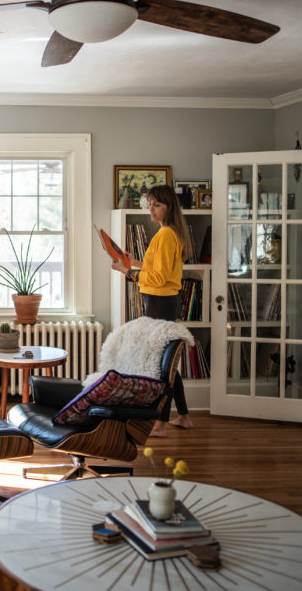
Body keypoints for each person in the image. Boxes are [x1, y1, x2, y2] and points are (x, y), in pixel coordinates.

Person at [110, 183, 194, 436]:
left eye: (157, 204)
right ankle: (185, 417)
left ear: (169, 207)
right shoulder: (165, 234)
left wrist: (127, 272)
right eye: (150, 204)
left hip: (160, 303)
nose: (151, 209)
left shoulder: (166, 235)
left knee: (161, 364)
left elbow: (157, 279)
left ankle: (161, 422)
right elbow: (155, 268)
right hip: (160, 303)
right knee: (167, 363)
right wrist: (133, 262)